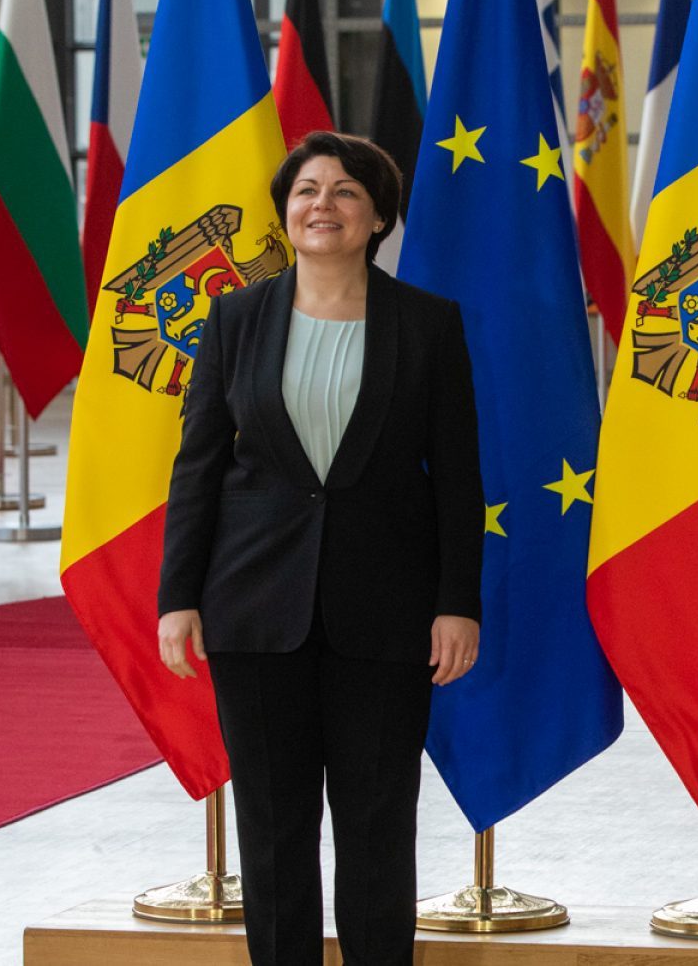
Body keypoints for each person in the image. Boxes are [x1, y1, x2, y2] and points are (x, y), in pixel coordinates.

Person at [155, 131, 484, 966]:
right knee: (272, 836)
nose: (322, 206)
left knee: (378, 833)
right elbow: (197, 466)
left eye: (344, 191)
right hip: (256, 613)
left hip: (388, 615)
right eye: (306, 190)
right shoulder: (235, 319)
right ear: (285, 211)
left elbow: (456, 476)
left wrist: (457, 603)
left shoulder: (428, 323)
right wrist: (176, 597)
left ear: (377, 216)